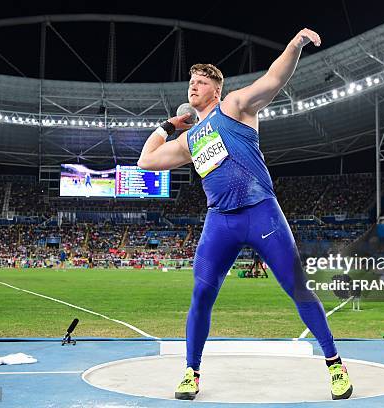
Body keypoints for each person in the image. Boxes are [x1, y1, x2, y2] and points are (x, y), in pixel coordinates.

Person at [138, 28, 352, 400]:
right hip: (220, 221)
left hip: (260, 212)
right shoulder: (189, 140)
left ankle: (335, 364)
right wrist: (169, 126)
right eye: (191, 81)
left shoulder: (234, 106)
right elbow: (146, 161)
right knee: (201, 294)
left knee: (297, 286)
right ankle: (191, 372)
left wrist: (294, 44)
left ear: (215, 90)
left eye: (201, 82)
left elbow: (274, 79)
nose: (193, 87)